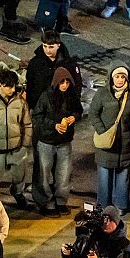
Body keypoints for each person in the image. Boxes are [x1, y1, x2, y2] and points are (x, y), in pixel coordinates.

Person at [87, 65, 130, 210]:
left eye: (122, 77)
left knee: (123, 177)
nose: (119, 80)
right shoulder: (102, 94)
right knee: (104, 179)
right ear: (111, 77)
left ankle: (120, 206)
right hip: (106, 144)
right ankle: (104, 206)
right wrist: (102, 131)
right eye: (117, 76)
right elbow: (93, 113)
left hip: (125, 145)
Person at [0, 69, 32, 209]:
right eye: (9, 86)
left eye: (14, 86)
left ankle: (18, 193)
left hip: (16, 149)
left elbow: (27, 124)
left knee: (19, 176)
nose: (13, 89)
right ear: (1, 85)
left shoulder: (20, 103)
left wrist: (25, 145)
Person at [31, 67, 79, 215]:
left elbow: (78, 110)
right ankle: (46, 202)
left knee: (63, 174)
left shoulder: (71, 96)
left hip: (64, 142)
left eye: (67, 82)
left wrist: (74, 117)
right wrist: (54, 125)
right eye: (62, 82)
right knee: (44, 174)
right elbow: (37, 117)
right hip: (47, 141)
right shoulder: (46, 96)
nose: (65, 85)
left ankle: (60, 201)